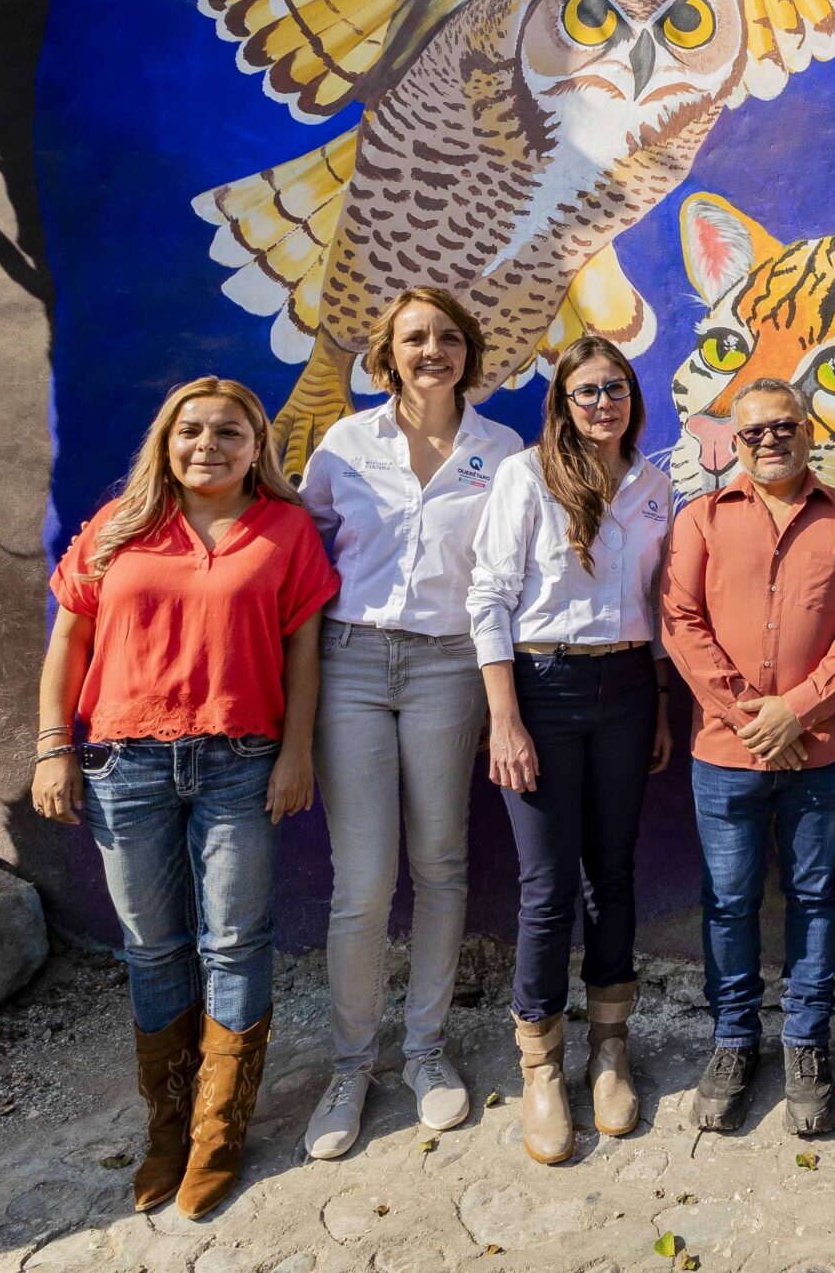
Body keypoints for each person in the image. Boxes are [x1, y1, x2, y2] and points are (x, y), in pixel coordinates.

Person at [32, 377, 337, 1219]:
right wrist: (53, 748)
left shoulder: (285, 530)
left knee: (235, 940)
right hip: (124, 764)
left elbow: (304, 653)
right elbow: (68, 640)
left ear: (257, 446)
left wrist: (295, 753)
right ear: (166, 441)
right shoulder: (117, 528)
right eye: (191, 430)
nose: (208, 444)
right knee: (153, 947)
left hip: (240, 760)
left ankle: (219, 1131)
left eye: (229, 432)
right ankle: (166, 1127)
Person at [296, 287, 524, 1160]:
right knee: (363, 881)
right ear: (388, 355)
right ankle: (351, 1066)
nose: (432, 349)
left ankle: (425, 1052)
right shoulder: (346, 443)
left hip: (448, 664)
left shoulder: (501, 452)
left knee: (440, 861)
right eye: (413, 338)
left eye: (447, 337)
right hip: (351, 660)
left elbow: (504, 569)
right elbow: (305, 548)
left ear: (468, 350)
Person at [661, 377, 835, 1137]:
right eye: (753, 431)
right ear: (735, 439)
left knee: (813, 896)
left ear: (806, 429)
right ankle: (733, 1039)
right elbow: (681, 620)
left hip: (819, 751)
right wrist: (747, 712)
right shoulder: (700, 518)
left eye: (782, 426)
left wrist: (799, 707)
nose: (768, 441)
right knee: (728, 900)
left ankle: (805, 1041)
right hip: (725, 754)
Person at [471, 336, 678, 1163]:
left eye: (617, 390)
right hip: (542, 689)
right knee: (548, 885)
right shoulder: (525, 477)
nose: (603, 404)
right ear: (563, 399)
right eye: (588, 391)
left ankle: (611, 1048)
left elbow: (655, 604)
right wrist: (505, 717)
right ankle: (541, 1065)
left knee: (615, 870)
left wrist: (659, 703)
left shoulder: (655, 486)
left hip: (627, 689)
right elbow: (488, 597)